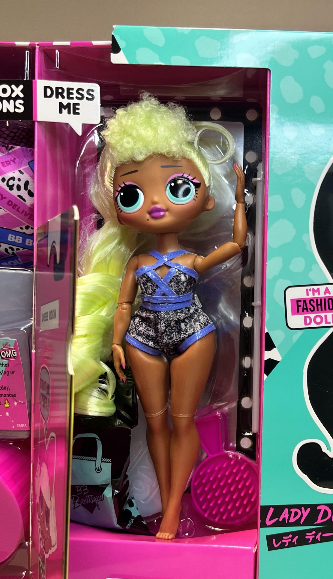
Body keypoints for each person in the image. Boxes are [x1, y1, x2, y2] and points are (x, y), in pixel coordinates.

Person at [72, 96, 245, 539]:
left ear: (206, 199)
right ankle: (167, 500)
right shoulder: (135, 262)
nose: (153, 205)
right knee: (154, 423)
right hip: (142, 337)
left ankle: (170, 511)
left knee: (182, 421)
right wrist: (115, 342)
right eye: (131, 194)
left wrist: (242, 199)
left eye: (177, 188)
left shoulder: (191, 259)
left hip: (192, 332)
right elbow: (123, 306)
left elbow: (234, 246)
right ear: (116, 205)